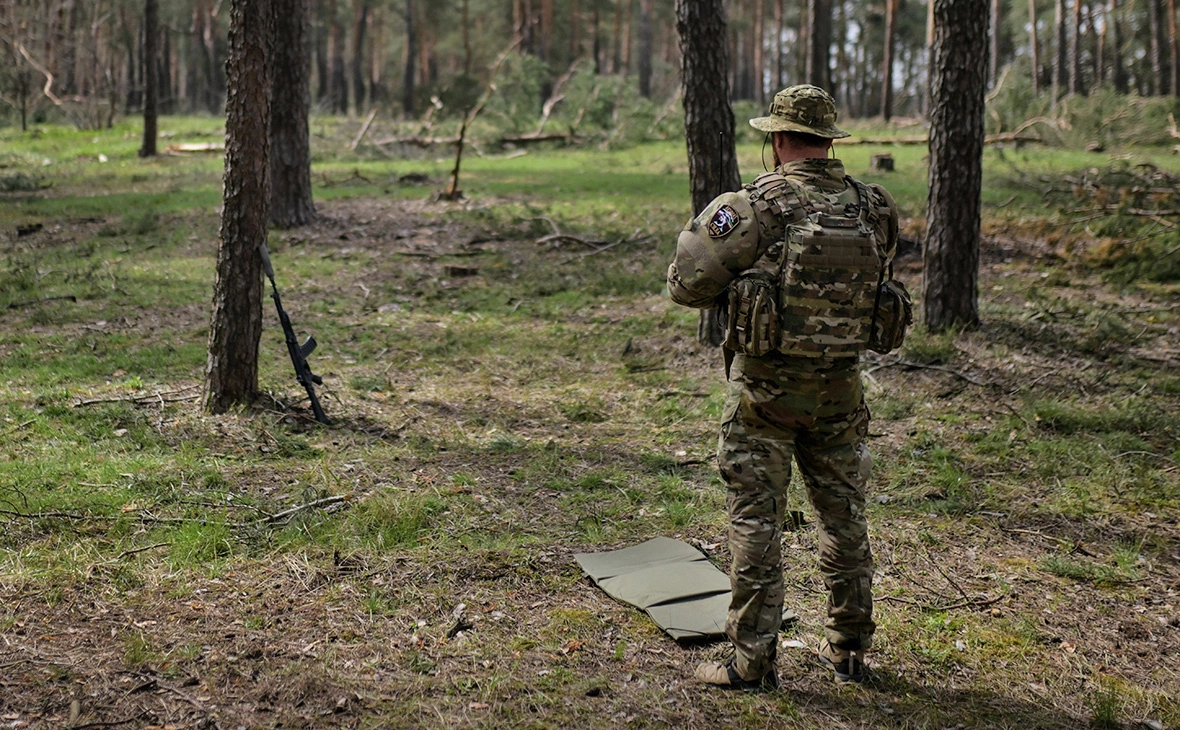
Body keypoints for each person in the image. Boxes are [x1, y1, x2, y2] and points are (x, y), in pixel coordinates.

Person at [666, 84, 899, 689]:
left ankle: (752, 661)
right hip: (840, 393)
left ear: (776, 140)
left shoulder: (754, 208)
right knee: (844, 518)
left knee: (756, 521)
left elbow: (683, 282)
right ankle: (849, 650)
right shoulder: (874, 206)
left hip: (763, 397)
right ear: (827, 141)